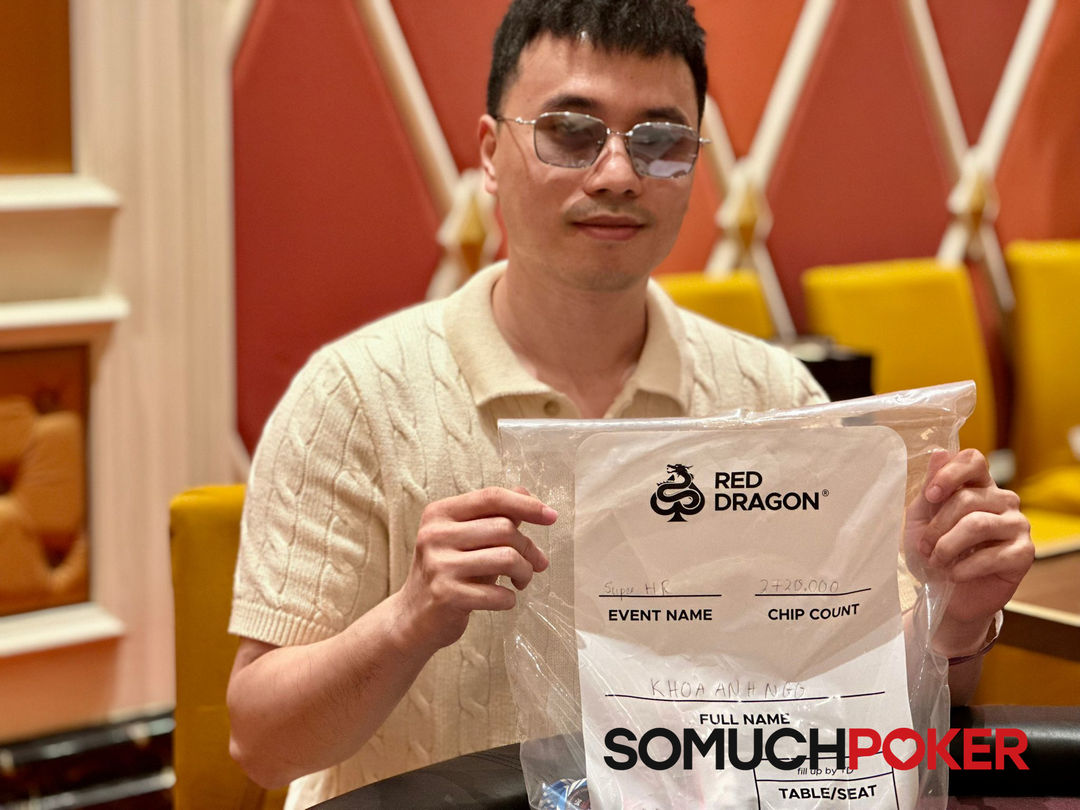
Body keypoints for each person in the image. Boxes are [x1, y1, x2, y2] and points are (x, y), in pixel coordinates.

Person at [226, 1, 1034, 806]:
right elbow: (261, 745)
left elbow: (860, 707)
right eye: (570, 133)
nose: (616, 174)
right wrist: (408, 619)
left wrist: (953, 619)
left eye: (660, 142)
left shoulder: (770, 398)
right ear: (491, 155)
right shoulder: (357, 396)